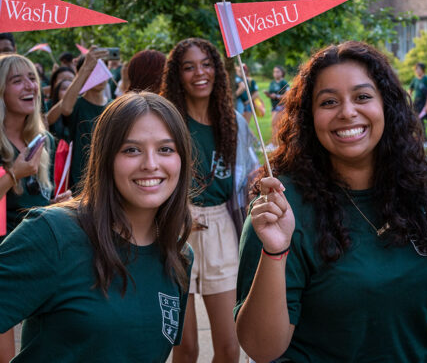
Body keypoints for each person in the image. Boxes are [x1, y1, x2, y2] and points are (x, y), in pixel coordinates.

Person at [235, 41, 427, 362]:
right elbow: (260, 348)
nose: (348, 112)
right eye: (328, 102)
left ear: (387, 105)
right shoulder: (280, 206)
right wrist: (275, 251)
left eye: (363, 97)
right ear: (309, 117)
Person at [0, 92, 194, 362]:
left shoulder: (179, 254)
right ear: (106, 158)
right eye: (131, 150)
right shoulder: (52, 233)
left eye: (165, 149)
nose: (151, 164)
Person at [162, 38, 259, 363]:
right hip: (175, 232)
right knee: (185, 348)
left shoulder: (234, 122)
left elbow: (247, 178)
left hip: (221, 229)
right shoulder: (167, 121)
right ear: (177, 75)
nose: (199, 73)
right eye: (189, 67)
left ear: (217, 70)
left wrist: (257, 184)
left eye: (206, 64)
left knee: (230, 348)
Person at [0, 54, 69, 360]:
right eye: (17, 80)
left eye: (31, 78)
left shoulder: (40, 140)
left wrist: (53, 206)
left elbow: (31, 202)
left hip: (37, 258)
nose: (30, 86)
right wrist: (14, 173)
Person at [59, 47, 112, 191]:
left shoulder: (113, 106)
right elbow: (65, 108)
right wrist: (85, 69)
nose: (99, 76)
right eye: (93, 71)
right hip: (80, 186)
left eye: (102, 69)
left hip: (108, 184)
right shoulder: (78, 105)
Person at [264, 65, 290, 152]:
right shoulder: (272, 83)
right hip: (274, 106)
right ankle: (275, 143)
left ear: (282, 73)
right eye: (274, 71)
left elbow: (288, 95)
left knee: (276, 123)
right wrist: (268, 95)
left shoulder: (284, 83)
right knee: (274, 125)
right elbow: (272, 94)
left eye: (278, 71)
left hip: (281, 106)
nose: (275, 73)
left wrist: (277, 96)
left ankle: (276, 144)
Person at [408, 62, 427, 146]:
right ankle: (419, 139)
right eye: (416, 69)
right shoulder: (415, 80)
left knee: (420, 121)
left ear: (423, 70)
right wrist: (409, 99)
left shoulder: (426, 79)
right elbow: (410, 90)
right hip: (416, 103)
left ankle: (425, 141)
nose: (417, 70)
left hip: (424, 103)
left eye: (419, 69)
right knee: (415, 121)